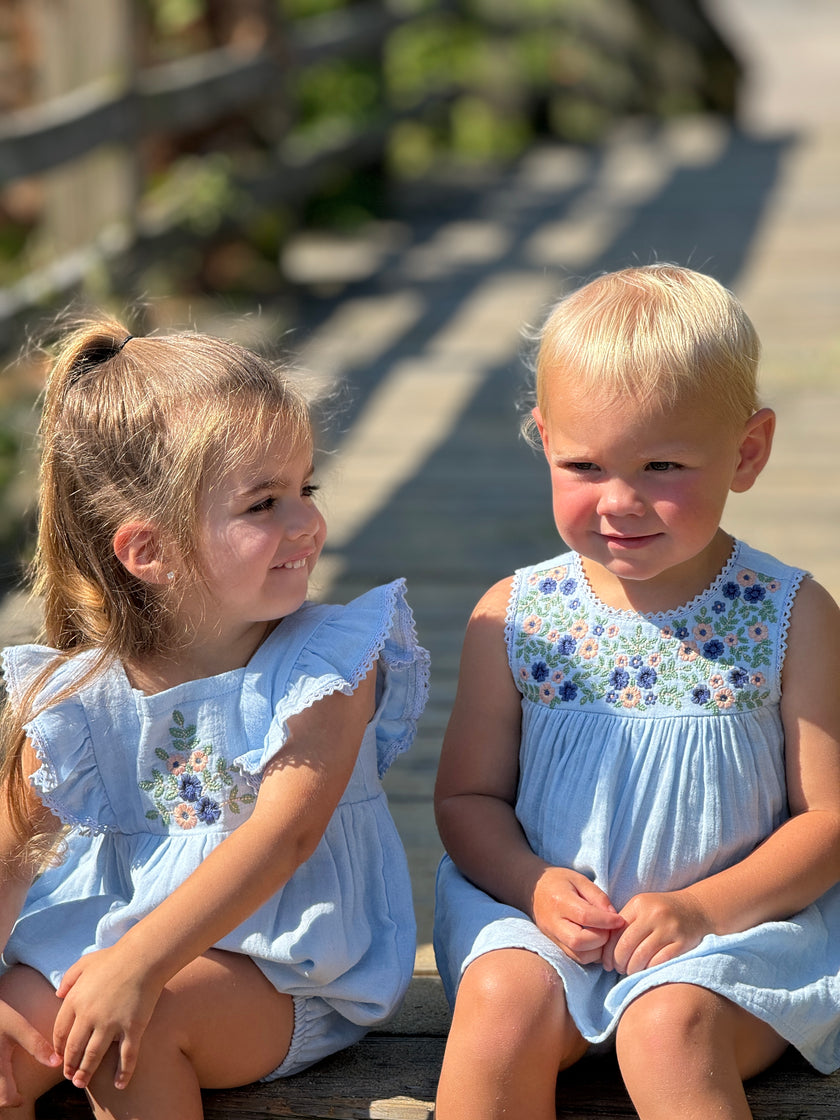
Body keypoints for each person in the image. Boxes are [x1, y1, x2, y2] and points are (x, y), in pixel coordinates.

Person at [433, 264, 840, 1120]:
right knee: (501, 1005)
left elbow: (829, 822)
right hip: (545, 925)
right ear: (544, 438)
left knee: (665, 1031)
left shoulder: (789, 613)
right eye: (583, 464)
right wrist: (532, 885)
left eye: (662, 465)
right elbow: (468, 799)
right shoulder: (516, 615)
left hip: (732, 937)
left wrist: (702, 909)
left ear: (748, 452)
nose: (619, 501)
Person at [0, 319, 429, 1119]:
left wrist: (139, 965)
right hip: (104, 945)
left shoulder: (324, 667)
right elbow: (10, 856)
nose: (306, 523)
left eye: (306, 490)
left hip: (283, 969)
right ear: (149, 551)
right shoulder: (78, 696)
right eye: (263, 504)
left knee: (131, 1040)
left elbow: (283, 838)